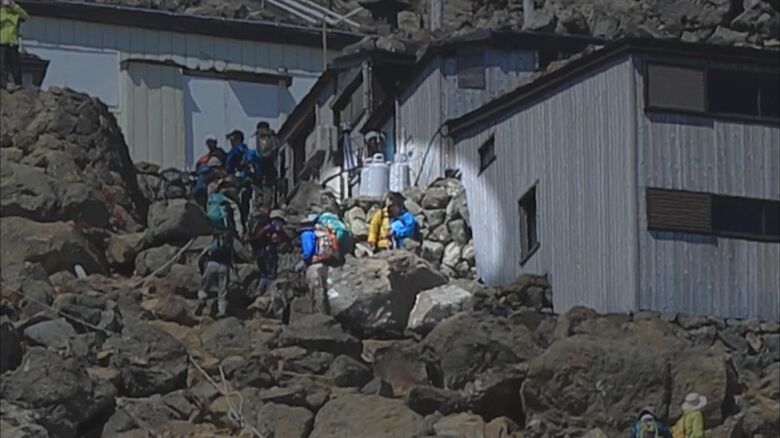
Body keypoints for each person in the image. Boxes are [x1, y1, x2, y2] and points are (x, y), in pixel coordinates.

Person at [296, 213, 340, 314]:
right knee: (327, 289)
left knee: (317, 290)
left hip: (315, 263)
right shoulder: (322, 232)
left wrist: (304, 261)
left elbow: (308, 251)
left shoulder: (306, 234)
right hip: (328, 262)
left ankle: (320, 314)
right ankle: (329, 313)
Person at [247, 208, 288, 295]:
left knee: (263, 274)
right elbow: (279, 231)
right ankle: (269, 293)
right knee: (271, 274)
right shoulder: (272, 223)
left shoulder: (254, 221)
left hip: (257, 251)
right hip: (268, 250)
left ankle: (259, 290)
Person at [0, 0, 26, 86]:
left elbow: (25, 16)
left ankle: (18, 84)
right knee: (2, 65)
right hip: (1, 42)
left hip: (13, 42)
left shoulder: (16, 13)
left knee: (15, 65)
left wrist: (14, 6)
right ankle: (3, 84)